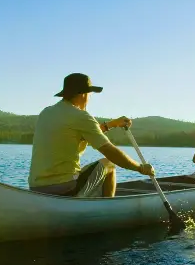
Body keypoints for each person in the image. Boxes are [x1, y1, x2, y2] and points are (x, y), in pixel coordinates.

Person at [27, 73, 155, 197]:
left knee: (84, 171)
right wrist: (140, 168)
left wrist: (113, 124)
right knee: (109, 164)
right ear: (83, 94)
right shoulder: (80, 116)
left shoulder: (46, 112)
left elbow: (84, 132)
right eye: (90, 94)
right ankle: (107, 206)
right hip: (64, 188)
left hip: (36, 187)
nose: (89, 98)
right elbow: (109, 151)